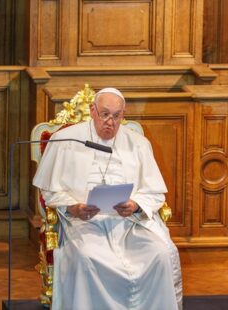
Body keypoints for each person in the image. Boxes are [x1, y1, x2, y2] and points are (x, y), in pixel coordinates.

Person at [33, 88, 182, 309]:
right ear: (93, 111)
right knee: (86, 257)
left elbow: (154, 191)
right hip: (83, 223)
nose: (110, 122)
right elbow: (49, 191)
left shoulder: (138, 143)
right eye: (104, 114)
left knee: (160, 254)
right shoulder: (65, 140)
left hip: (130, 224)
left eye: (116, 116)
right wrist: (74, 207)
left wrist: (135, 205)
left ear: (123, 115)